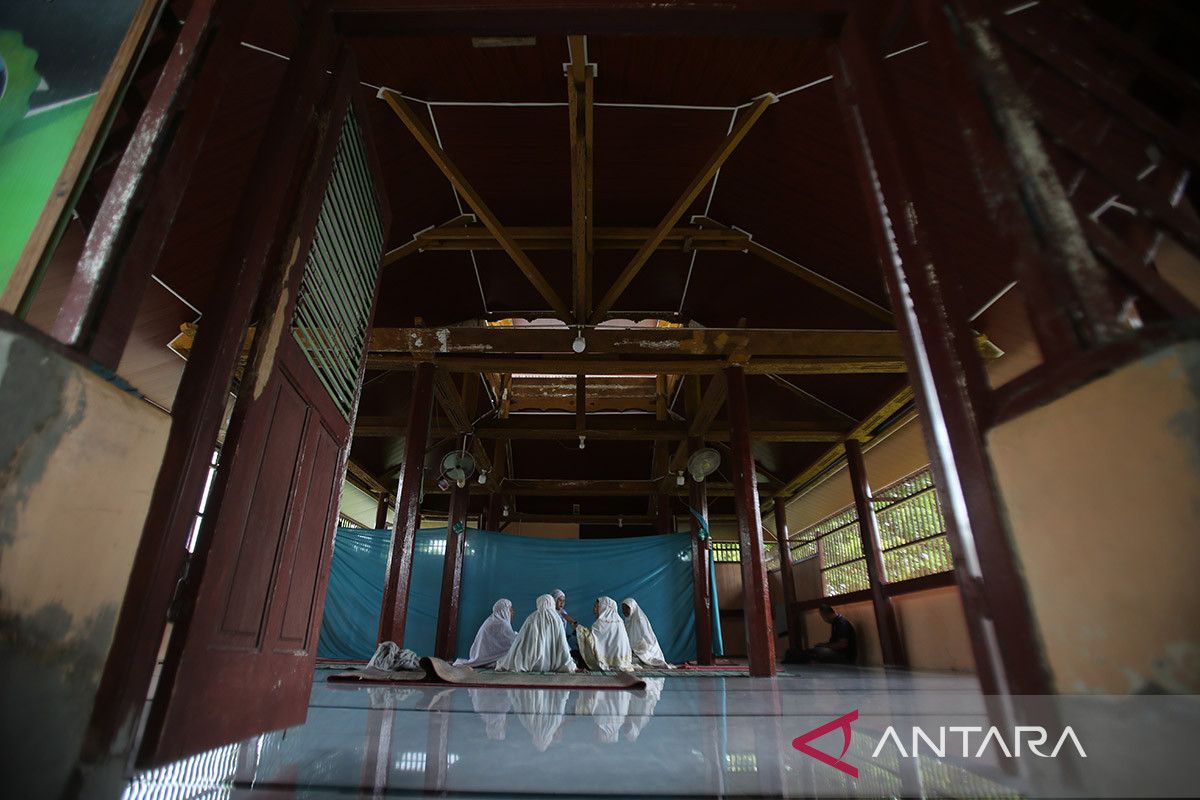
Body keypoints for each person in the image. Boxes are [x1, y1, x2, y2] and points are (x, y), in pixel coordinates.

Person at [495, 594, 577, 673]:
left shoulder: (532, 617)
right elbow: (562, 643)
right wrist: (570, 665)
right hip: (551, 663)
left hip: (530, 662)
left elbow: (521, 639)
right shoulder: (556, 619)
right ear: (552, 603)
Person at [564, 596, 634, 672]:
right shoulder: (619, 621)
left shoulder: (602, 622)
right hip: (623, 662)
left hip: (609, 664)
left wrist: (574, 624)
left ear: (604, 608)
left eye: (596, 607)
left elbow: (590, 640)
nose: (594, 610)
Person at [453, 599, 517, 668]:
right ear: (504, 610)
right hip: (487, 658)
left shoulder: (491, 620)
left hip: (480, 656)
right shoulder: (501, 624)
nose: (512, 612)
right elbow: (512, 643)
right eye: (510, 609)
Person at [785, 603, 857, 665]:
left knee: (818, 652)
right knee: (815, 650)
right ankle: (794, 656)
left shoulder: (841, 623)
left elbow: (842, 644)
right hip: (838, 653)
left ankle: (795, 657)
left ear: (826, 614)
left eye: (822, 616)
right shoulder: (835, 623)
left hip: (845, 656)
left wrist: (824, 646)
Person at [620, 597, 672, 669]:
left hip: (646, 648)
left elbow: (648, 638)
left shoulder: (640, 619)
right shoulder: (627, 621)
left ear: (632, 608)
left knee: (636, 660)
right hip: (634, 650)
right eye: (623, 609)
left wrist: (639, 648)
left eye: (626, 608)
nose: (624, 611)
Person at [551, 588, 582, 665]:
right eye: (559, 600)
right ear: (553, 600)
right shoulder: (550, 612)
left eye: (563, 601)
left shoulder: (562, 612)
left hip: (561, 638)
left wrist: (574, 624)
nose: (562, 603)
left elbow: (566, 617)